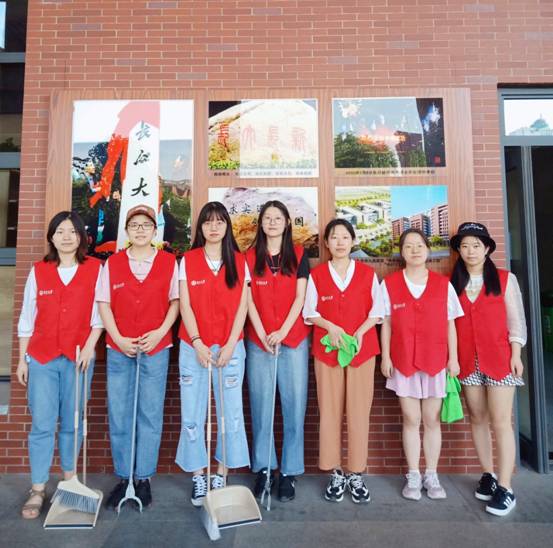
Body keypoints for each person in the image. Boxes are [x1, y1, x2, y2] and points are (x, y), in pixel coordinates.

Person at [16, 211, 103, 519]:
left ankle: (69, 481)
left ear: (81, 237)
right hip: (42, 358)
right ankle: (38, 488)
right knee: (42, 424)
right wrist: (22, 359)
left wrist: (90, 348)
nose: (66, 237)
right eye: (60, 231)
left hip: (78, 358)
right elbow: (27, 317)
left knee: (72, 422)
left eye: (72, 231)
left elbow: (100, 314)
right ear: (52, 237)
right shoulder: (39, 271)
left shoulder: (96, 269)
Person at [97, 204, 179, 510]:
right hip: (120, 349)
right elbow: (103, 303)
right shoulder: (113, 263)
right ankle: (124, 477)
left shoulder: (169, 262)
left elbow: (175, 302)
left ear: (155, 231)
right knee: (120, 413)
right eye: (135, 225)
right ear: (127, 231)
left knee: (150, 414)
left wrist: (159, 333)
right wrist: (118, 337)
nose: (140, 230)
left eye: (146, 225)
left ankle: (143, 478)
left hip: (156, 348)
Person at [303, 219, 383, 504]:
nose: (339, 242)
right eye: (334, 237)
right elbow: (309, 311)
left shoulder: (367, 274)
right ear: (326, 243)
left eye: (345, 237)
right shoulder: (317, 275)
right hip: (328, 351)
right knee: (330, 410)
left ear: (353, 241)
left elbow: (377, 311)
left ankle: (356, 473)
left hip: (361, 351)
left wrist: (360, 332)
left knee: (359, 411)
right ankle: (335, 472)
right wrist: (331, 327)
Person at [176, 201, 250, 507]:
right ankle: (198, 475)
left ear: (227, 227)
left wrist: (231, 344)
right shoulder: (188, 260)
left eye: (220, 222)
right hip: (193, 346)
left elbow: (243, 305)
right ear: (201, 228)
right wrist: (196, 341)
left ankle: (221, 474)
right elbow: (184, 304)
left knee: (230, 413)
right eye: (208, 222)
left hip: (230, 347)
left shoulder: (239, 261)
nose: (214, 227)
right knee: (192, 413)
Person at [380, 228, 462, 501]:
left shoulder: (443, 285)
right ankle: (413, 475)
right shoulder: (390, 284)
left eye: (419, 245)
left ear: (427, 250)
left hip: (436, 360)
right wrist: (386, 357)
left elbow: (451, 324)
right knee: (411, 418)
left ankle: (432, 474)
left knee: (431, 419)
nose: (414, 250)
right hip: (402, 361)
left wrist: (453, 359)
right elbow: (386, 323)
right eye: (408, 246)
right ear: (401, 253)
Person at [450, 222, 526, 516]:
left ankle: (506, 487)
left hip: (500, 359)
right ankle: (488, 475)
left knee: (501, 422)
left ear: (487, 249)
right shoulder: (452, 283)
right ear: (459, 250)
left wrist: (516, 354)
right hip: (467, 361)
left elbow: (516, 321)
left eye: (476, 245)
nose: (470, 251)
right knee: (478, 418)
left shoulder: (505, 279)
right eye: (465, 246)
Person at [246, 200, 311, 502]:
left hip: (293, 339)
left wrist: (282, 332)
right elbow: (247, 299)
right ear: (261, 224)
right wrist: (262, 333)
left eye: (278, 218)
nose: (272, 222)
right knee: (261, 407)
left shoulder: (298, 254)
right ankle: (264, 468)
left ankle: (289, 472)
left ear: (287, 223)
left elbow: (300, 297)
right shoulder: (248, 257)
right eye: (267, 218)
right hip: (259, 341)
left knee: (294, 406)